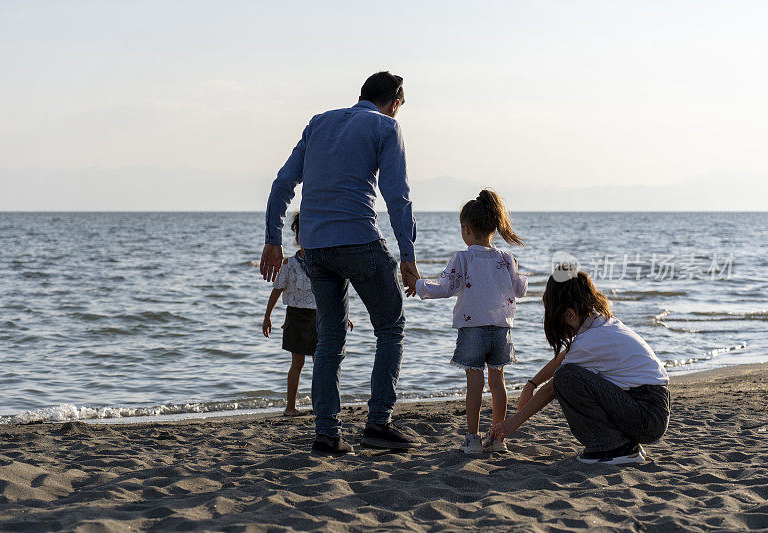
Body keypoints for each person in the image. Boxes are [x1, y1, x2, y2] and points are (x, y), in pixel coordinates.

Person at [260, 72, 420, 454]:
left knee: (330, 337)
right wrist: (408, 256)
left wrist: (273, 239)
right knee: (391, 326)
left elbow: (282, 183)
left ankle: (327, 434)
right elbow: (398, 197)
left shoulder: (319, 122)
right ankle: (378, 423)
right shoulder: (385, 127)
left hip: (314, 247)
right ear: (395, 100)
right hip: (359, 241)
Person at [492, 269, 671, 464]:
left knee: (565, 378)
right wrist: (532, 384)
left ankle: (616, 449)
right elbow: (567, 354)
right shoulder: (601, 323)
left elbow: (554, 387)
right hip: (651, 409)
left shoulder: (590, 340)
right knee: (567, 373)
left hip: (646, 414)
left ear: (569, 314)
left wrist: (514, 422)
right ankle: (621, 445)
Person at [404, 189, 526, 454]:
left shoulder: (463, 257)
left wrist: (418, 284)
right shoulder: (506, 258)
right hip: (501, 330)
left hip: (473, 330)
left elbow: (445, 287)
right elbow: (519, 290)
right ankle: (498, 438)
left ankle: (473, 438)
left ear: (466, 228)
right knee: (498, 383)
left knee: (475, 385)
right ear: (494, 227)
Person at [262, 213, 353, 416]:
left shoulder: (324, 263)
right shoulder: (289, 264)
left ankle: (321, 405)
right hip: (296, 317)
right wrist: (267, 316)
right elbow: (276, 290)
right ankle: (290, 407)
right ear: (297, 240)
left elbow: (334, 293)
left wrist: (344, 315)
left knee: (321, 362)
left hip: (322, 316)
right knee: (298, 363)